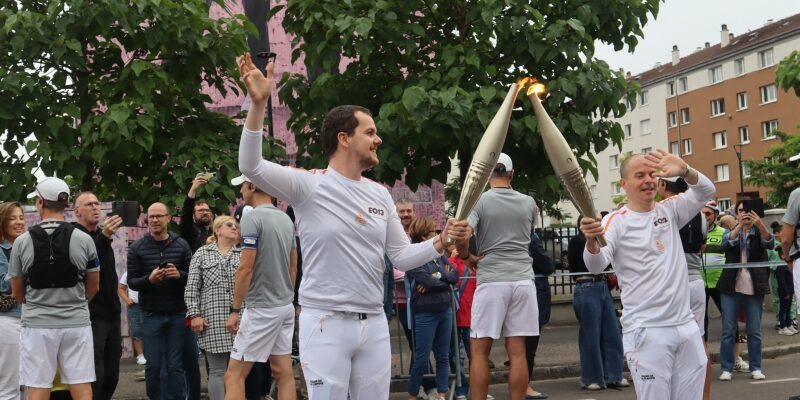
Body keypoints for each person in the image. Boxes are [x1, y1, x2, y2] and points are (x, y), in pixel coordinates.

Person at [235, 53, 467, 399]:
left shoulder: (379, 193)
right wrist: (258, 104)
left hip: (373, 322)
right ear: (344, 138)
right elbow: (251, 166)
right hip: (325, 322)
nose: (379, 140)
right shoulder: (310, 185)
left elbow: (401, 255)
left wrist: (440, 241)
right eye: (370, 132)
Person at [580, 150, 715, 400]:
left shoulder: (669, 210)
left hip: (686, 327)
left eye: (652, 174)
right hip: (647, 331)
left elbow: (706, 191)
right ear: (624, 183)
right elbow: (596, 265)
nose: (648, 180)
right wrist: (591, 242)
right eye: (639, 175)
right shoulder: (616, 221)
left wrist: (685, 170)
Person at [456, 153, 539, 400]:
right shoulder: (528, 202)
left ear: (487, 175)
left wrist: (467, 257)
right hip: (523, 279)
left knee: (480, 350)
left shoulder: (479, 202)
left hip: (492, 278)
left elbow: (463, 234)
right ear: (512, 174)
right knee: (517, 351)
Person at [9, 177, 101, 400]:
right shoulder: (84, 239)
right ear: (67, 203)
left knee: (38, 387)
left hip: (37, 325)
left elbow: (17, 292)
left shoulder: (22, 242)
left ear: (40, 202)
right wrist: (75, 302)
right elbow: (94, 286)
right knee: (81, 386)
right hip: (76, 323)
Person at [224, 174, 297, 400]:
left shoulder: (252, 218)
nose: (240, 193)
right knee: (283, 373)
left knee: (233, 376)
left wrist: (235, 311)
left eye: (242, 187)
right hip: (285, 306)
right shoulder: (286, 219)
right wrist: (286, 295)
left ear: (253, 186)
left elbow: (246, 268)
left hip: (262, 308)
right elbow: (293, 267)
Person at [127, 203, 193, 400]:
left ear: (168, 218)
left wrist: (178, 274)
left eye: (158, 216)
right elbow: (132, 282)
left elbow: (193, 278)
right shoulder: (137, 247)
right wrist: (150, 279)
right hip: (150, 314)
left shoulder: (181, 244)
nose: (154, 220)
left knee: (175, 366)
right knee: (153, 365)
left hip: (177, 313)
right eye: (151, 217)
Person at [184, 216, 242, 400]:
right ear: (217, 230)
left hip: (241, 319)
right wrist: (194, 314)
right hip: (213, 320)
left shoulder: (243, 254)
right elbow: (192, 287)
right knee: (217, 371)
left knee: (239, 371)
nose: (234, 228)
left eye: (236, 226)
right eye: (229, 225)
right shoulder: (201, 254)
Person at [73, 192, 123, 400]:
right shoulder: (75, 236)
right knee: (95, 374)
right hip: (92, 315)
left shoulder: (102, 236)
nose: (95, 207)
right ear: (77, 212)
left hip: (112, 315)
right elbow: (87, 260)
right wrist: (104, 237)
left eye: (97, 204)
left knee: (112, 375)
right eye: (89, 204)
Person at [717, 200, 773, 381]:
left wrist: (759, 224)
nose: (745, 214)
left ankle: (756, 367)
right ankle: (727, 368)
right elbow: (726, 244)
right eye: (741, 211)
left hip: (754, 287)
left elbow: (770, 243)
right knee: (728, 329)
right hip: (730, 288)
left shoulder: (759, 232)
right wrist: (739, 225)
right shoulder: (731, 231)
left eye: (748, 211)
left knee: (754, 330)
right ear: (736, 213)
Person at [567, 222, 625, 391]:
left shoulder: (599, 240)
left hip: (601, 285)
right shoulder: (578, 241)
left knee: (612, 332)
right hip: (586, 284)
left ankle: (613, 375)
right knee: (591, 335)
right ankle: (591, 377)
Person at [405, 218, 458, 400]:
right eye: (433, 232)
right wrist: (442, 278)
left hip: (445, 309)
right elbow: (427, 280)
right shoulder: (413, 256)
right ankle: (413, 394)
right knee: (421, 358)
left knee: (443, 355)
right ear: (423, 236)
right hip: (425, 312)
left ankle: (441, 394)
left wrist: (438, 277)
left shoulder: (440, 254)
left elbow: (455, 274)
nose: (437, 235)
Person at [522, 231, 557, 399]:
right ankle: (524, 386)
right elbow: (548, 265)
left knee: (518, 345)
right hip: (535, 290)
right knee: (528, 346)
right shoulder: (531, 238)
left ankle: (521, 384)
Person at [0, 201, 27, 399]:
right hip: (7, 320)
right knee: (9, 385)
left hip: (28, 319)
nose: (18, 222)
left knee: (27, 383)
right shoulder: (3, 249)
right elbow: (4, 284)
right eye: (12, 218)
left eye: (21, 217)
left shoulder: (24, 244)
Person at [181, 175, 215, 253]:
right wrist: (193, 189)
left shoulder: (215, 231)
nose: (205, 212)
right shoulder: (190, 230)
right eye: (200, 210)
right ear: (193, 215)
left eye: (207, 210)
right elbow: (186, 214)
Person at [118, 272, 146, 365]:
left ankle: (152, 354)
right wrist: (127, 300)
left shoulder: (148, 270)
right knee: (136, 330)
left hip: (149, 305)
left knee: (152, 329)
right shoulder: (128, 274)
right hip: (135, 306)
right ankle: (140, 355)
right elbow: (121, 288)